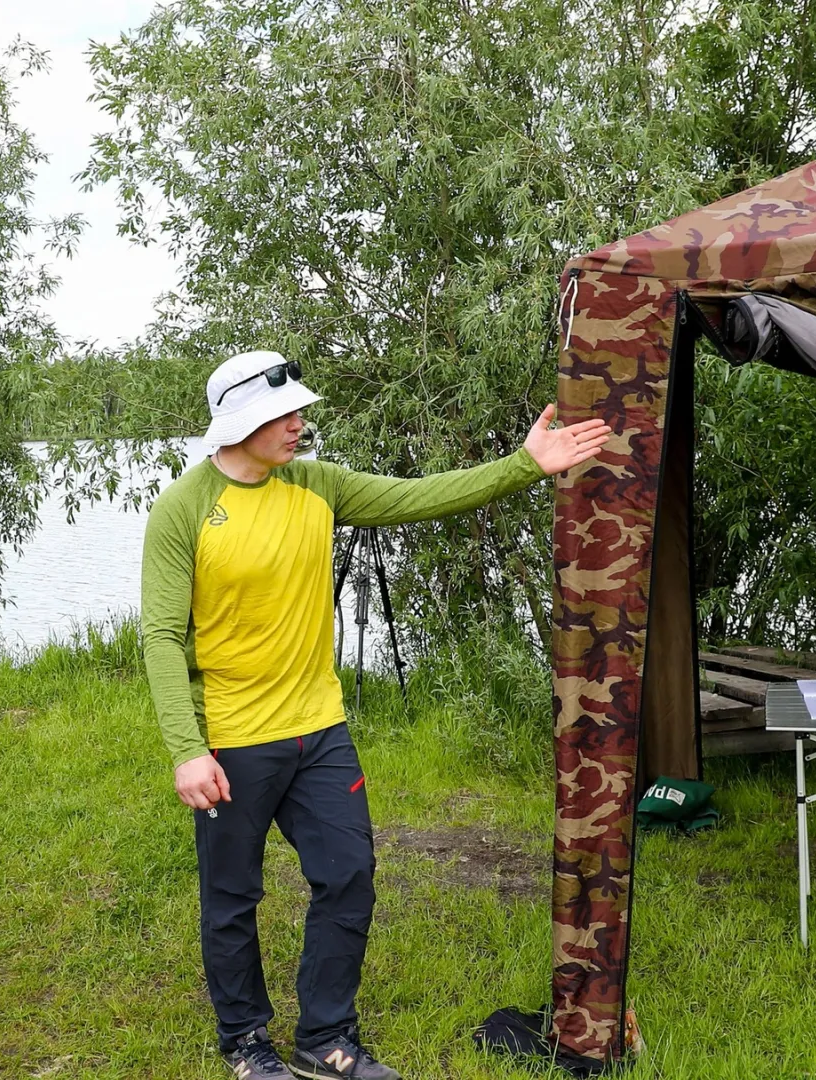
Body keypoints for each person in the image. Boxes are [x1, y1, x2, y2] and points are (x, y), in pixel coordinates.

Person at [140, 350, 612, 1080]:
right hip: (234, 738)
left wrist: (525, 464)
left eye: (300, 412)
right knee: (232, 896)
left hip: (319, 729)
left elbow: (420, 496)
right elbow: (162, 637)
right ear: (242, 419)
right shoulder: (185, 509)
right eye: (286, 414)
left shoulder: (317, 486)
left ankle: (326, 1038)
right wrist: (186, 747)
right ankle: (245, 1042)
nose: (300, 424)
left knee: (349, 873)